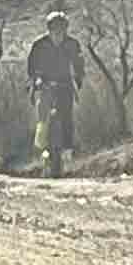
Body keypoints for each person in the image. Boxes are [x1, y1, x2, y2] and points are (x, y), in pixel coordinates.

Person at [24, 10, 87, 177]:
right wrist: (33, 81)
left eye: (62, 29)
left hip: (65, 83)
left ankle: (67, 149)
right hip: (45, 83)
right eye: (55, 29)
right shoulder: (39, 44)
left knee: (67, 116)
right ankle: (40, 147)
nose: (58, 33)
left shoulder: (72, 44)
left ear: (66, 29)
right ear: (49, 29)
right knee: (42, 118)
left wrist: (78, 79)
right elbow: (31, 66)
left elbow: (79, 64)